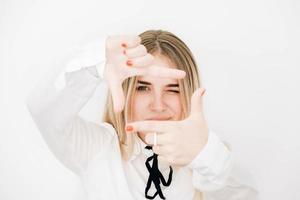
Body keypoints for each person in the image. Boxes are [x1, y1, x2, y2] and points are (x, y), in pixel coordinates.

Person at [26, 30, 259, 200]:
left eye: (173, 89)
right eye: (143, 87)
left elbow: (248, 193)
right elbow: (43, 109)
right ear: (125, 90)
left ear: (189, 93)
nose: (158, 105)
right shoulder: (96, 148)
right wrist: (95, 62)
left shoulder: (209, 157)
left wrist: (206, 154)